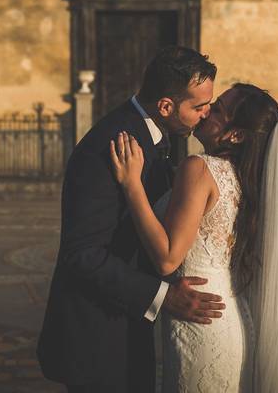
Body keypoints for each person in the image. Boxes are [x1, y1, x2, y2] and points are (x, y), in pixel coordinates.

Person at [110, 83, 278, 392]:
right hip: (233, 320)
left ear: (235, 135)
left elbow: (168, 257)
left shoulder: (200, 168)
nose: (207, 111)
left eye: (219, 110)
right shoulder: (248, 180)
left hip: (199, 320)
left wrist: (132, 186)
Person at [38, 46, 226, 392]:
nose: (207, 114)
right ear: (166, 106)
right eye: (199, 106)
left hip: (127, 320)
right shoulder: (110, 146)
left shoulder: (155, 135)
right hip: (97, 336)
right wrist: (162, 296)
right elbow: (83, 254)